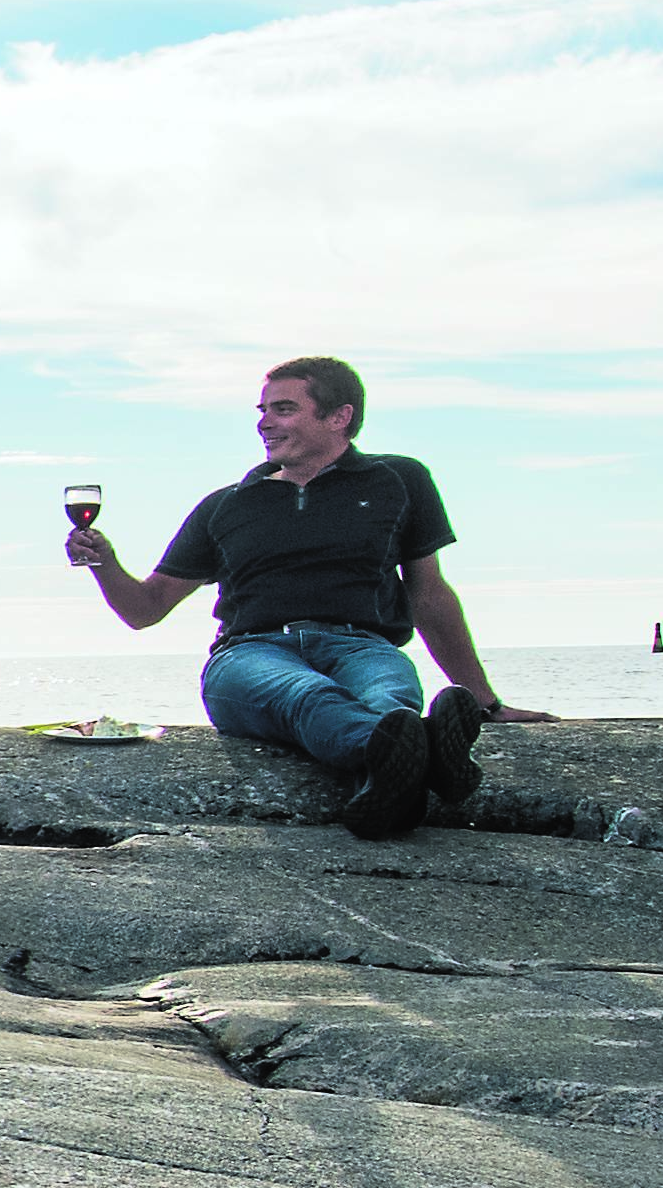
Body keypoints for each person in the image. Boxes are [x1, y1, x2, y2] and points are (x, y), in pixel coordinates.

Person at [65, 354, 534, 840]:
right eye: (262, 410)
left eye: (283, 409)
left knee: (389, 695)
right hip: (250, 654)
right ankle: (428, 755)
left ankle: (390, 785)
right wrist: (104, 562)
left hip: (363, 644)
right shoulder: (226, 504)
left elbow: (430, 595)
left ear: (339, 416)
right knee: (308, 695)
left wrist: (484, 701)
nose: (265, 423)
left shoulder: (398, 479)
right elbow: (145, 610)